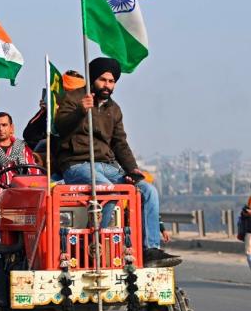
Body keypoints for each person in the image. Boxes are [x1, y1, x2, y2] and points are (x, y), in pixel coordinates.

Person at [55, 57, 178, 268]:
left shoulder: (114, 109)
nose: (107, 85)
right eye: (103, 80)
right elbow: (60, 127)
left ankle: (149, 249)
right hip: (78, 164)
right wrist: (80, 112)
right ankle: (93, 244)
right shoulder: (74, 99)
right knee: (110, 191)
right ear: (93, 79)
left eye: (111, 82)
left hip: (107, 165)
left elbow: (120, 143)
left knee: (148, 191)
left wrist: (133, 170)